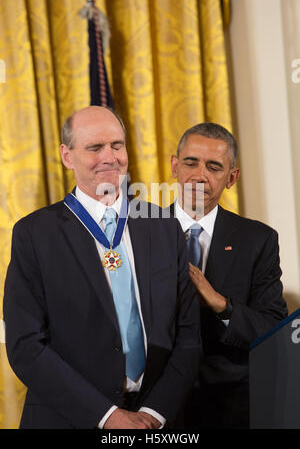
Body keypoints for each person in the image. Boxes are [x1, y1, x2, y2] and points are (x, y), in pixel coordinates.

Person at [3, 106, 201, 429]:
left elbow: (188, 338)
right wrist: (107, 417)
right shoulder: (34, 235)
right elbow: (25, 346)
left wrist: (153, 413)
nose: (110, 157)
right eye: (95, 148)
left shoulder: (164, 227)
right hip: (71, 419)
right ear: (67, 156)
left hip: (156, 421)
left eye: (117, 145)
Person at [170, 122, 288, 429]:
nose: (199, 176)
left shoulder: (257, 240)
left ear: (231, 177)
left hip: (230, 405)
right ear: (174, 166)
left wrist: (221, 303)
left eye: (214, 167)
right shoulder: (139, 233)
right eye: (190, 162)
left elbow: (273, 329)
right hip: (155, 403)